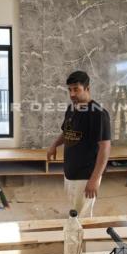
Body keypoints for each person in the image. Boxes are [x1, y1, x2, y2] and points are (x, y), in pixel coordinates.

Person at [47, 71, 111, 217]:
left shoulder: (99, 114)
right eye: (70, 90)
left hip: (86, 175)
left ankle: (79, 231)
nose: (72, 94)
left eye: (76, 89)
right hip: (70, 171)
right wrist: (54, 145)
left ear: (87, 88)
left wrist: (94, 179)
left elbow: (105, 148)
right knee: (75, 208)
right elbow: (67, 132)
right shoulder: (71, 109)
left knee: (83, 216)